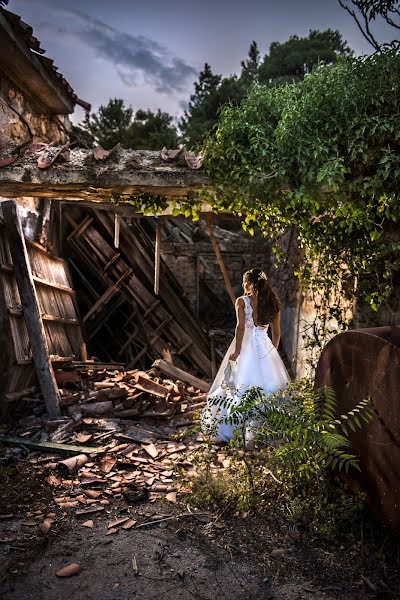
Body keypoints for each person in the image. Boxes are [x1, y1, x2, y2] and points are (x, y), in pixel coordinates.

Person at [201, 268, 290, 443]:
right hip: (265, 347)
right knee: (269, 386)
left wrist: (237, 351)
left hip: (247, 346)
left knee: (241, 386)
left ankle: (239, 430)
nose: (243, 286)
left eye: (244, 282)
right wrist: (273, 351)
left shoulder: (242, 302)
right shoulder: (273, 304)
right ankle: (266, 432)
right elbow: (277, 333)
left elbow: (240, 328)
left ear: (249, 284)